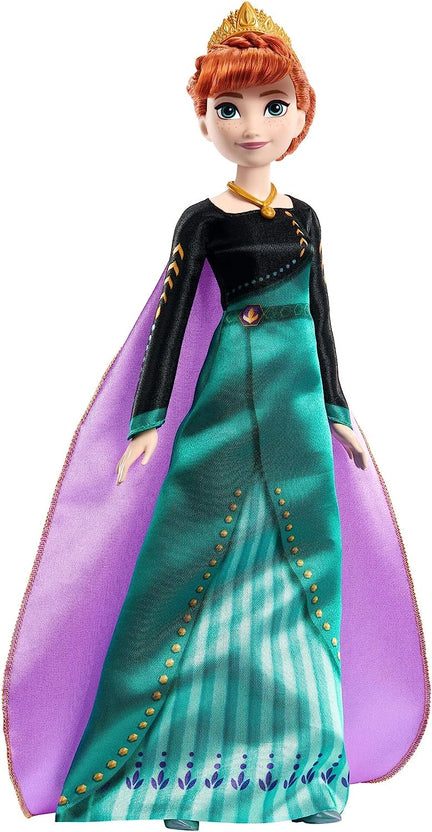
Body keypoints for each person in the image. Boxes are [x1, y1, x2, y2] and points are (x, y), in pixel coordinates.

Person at [3, 3, 429, 828]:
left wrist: (339, 409)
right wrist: (147, 422)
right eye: (229, 108)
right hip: (228, 405)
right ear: (203, 119)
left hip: (300, 413)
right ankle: (177, 780)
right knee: (191, 571)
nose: (251, 125)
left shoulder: (305, 219)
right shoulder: (201, 222)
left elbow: (322, 317)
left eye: (273, 105)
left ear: (301, 114)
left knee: (305, 577)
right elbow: (169, 324)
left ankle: (304, 777)